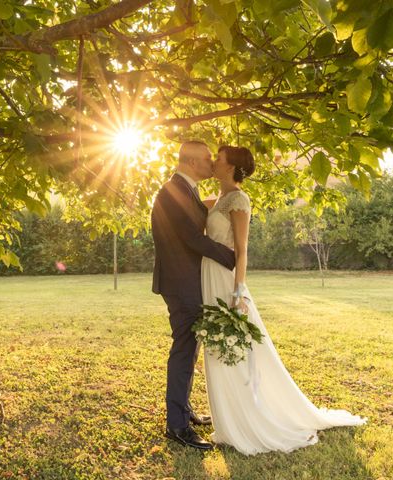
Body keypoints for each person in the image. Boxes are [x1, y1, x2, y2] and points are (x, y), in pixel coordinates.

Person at [200, 145, 367, 455]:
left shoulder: (238, 199)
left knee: (237, 347)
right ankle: (226, 418)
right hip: (207, 277)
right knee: (217, 347)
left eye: (219, 159)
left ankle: (249, 419)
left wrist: (239, 293)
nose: (213, 161)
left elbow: (242, 249)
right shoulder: (218, 198)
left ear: (232, 166)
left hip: (226, 280)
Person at [151, 140, 236, 450]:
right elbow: (189, 237)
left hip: (186, 281)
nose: (210, 163)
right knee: (184, 349)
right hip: (181, 283)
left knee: (190, 346)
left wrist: (231, 200)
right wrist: (229, 256)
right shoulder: (171, 191)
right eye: (206, 159)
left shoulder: (185, 189)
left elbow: (199, 215)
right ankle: (176, 426)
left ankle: (183, 411)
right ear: (190, 161)